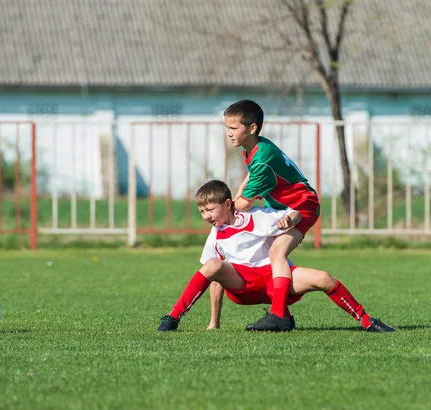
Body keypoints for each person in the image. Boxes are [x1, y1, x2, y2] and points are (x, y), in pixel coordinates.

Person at [157, 180, 394, 333]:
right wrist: (214, 321)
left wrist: (290, 219)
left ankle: (367, 321)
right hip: (243, 285)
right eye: (201, 212)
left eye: (209, 210)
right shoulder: (216, 234)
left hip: (275, 279)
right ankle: (172, 319)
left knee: (324, 278)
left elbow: (298, 213)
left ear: (228, 204)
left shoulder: (257, 216)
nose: (206, 216)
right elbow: (214, 277)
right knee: (211, 265)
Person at [223, 99, 321, 331]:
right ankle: (282, 314)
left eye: (234, 128)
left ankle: (278, 315)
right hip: (286, 209)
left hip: (301, 207)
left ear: (252, 128)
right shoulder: (258, 148)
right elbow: (251, 179)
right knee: (271, 252)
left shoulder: (263, 159)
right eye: (227, 128)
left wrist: (229, 203)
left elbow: (243, 205)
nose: (229, 133)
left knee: (277, 251)